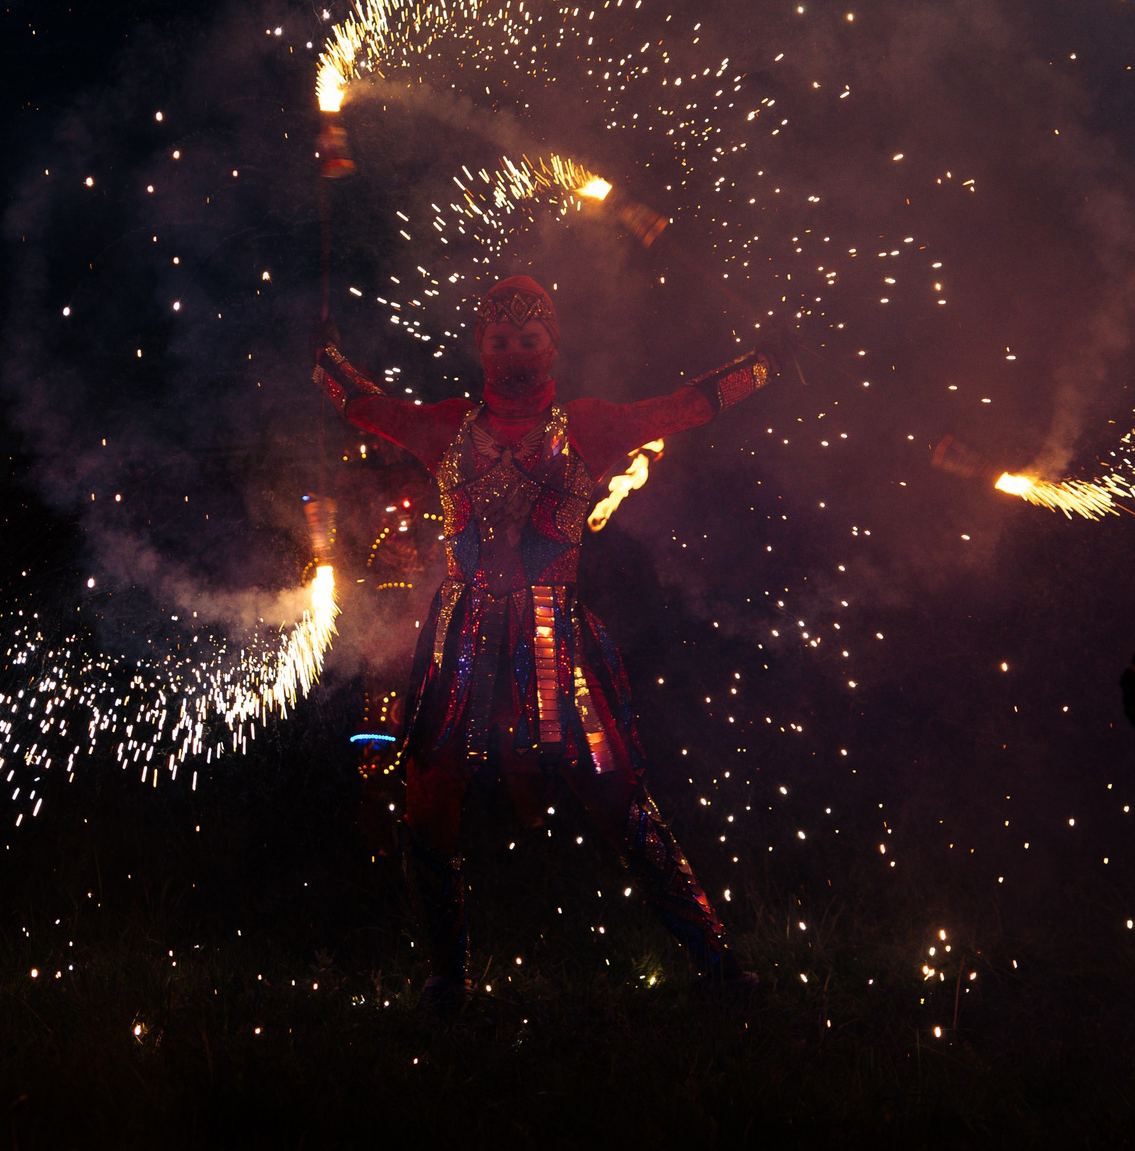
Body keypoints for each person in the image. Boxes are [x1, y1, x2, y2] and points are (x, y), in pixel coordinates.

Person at [312, 275, 786, 1008]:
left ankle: (718, 964)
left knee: (616, 793)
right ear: (480, 346)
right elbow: (368, 407)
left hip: (550, 637)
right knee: (430, 796)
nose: (514, 353)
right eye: (500, 340)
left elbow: (681, 407)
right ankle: (445, 977)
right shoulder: (445, 425)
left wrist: (763, 365)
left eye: (528, 339)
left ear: (553, 344)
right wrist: (327, 361)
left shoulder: (589, 426)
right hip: (459, 639)